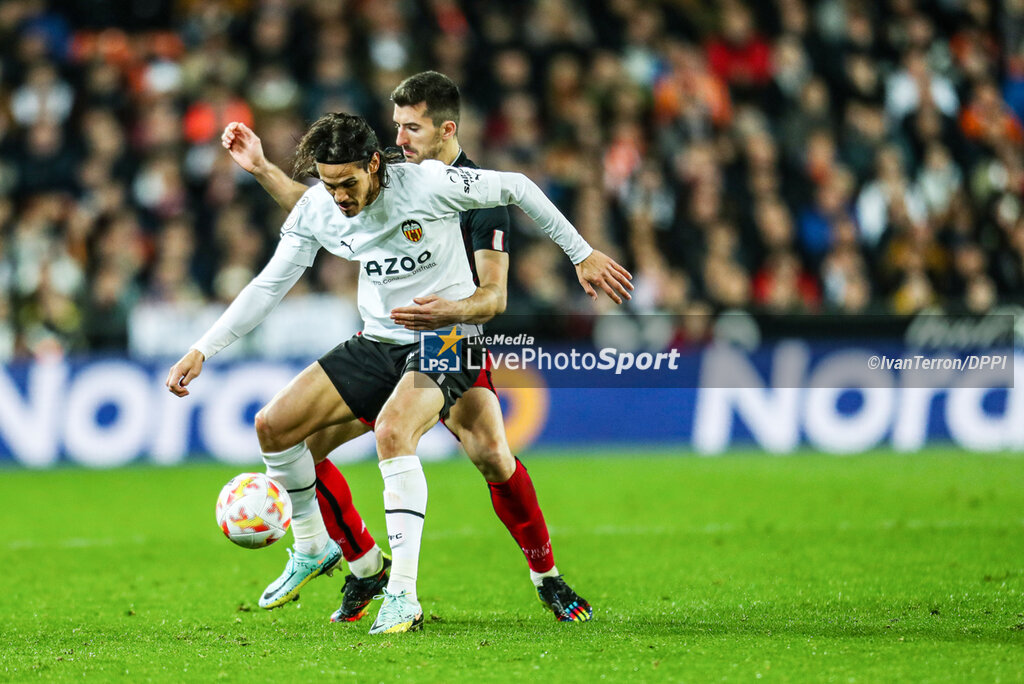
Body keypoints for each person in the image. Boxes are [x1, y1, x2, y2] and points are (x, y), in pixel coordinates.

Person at [166, 112, 631, 634]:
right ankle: (323, 550)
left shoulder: (427, 183)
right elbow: (268, 286)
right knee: (273, 426)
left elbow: (519, 187)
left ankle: (437, 591)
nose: (339, 196)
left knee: (466, 450)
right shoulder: (321, 206)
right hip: (381, 339)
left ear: (373, 164)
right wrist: (203, 349)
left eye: (348, 183)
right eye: (327, 184)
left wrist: (581, 253)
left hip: (449, 334)